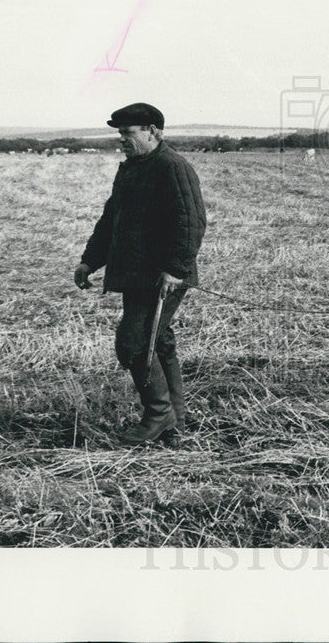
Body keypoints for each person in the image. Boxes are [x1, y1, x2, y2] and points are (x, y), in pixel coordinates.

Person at [74, 103, 207, 445]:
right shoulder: (133, 168)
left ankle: (158, 414)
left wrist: (176, 270)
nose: (122, 140)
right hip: (137, 275)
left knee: (134, 342)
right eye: (120, 134)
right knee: (157, 341)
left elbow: (190, 222)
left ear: (153, 131)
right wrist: (90, 261)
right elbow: (110, 221)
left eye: (128, 133)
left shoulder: (172, 167)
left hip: (164, 277)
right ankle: (174, 420)